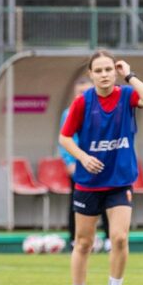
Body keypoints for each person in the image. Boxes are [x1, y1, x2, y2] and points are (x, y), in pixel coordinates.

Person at [59, 50, 143, 285]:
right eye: (98, 71)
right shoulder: (83, 103)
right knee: (83, 243)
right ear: (90, 74)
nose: (104, 75)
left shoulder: (126, 95)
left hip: (120, 181)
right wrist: (83, 156)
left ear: (115, 72)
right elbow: (65, 137)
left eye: (108, 70)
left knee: (120, 238)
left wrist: (130, 75)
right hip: (89, 183)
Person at [58, 76, 110, 252]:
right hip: (80, 167)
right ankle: (75, 240)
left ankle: (109, 239)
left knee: (107, 202)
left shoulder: (101, 111)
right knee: (76, 203)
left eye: (86, 91)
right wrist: (70, 162)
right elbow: (65, 140)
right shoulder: (69, 113)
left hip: (101, 166)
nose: (83, 95)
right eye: (80, 92)